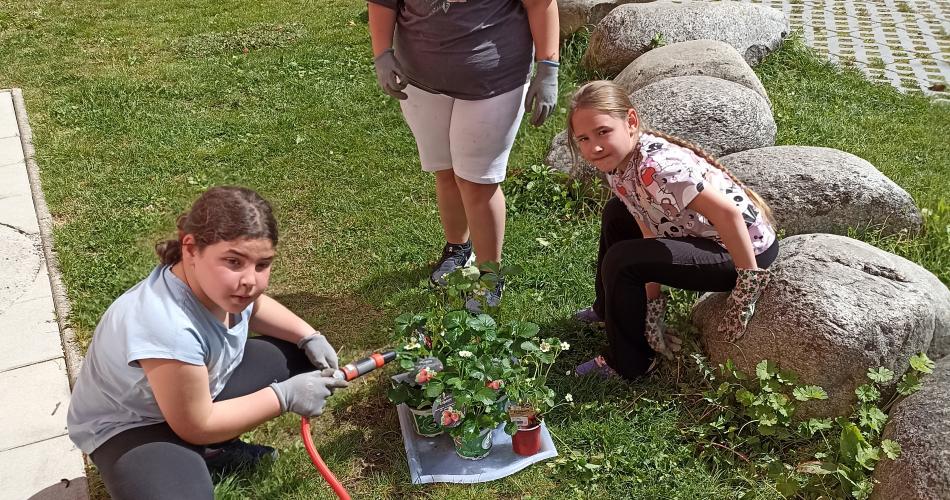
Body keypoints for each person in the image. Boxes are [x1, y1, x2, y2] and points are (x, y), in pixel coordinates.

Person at [66, 186, 349, 500]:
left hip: (193, 393)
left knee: (296, 357)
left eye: (262, 265)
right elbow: (196, 424)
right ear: (190, 249)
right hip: (133, 425)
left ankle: (214, 449)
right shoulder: (168, 326)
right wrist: (283, 396)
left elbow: (256, 307)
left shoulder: (215, 286)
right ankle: (181, 456)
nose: (250, 281)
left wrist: (307, 335)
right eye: (233, 261)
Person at [566, 81, 779, 379]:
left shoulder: (659, 168)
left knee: (622, 260)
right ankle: (608, 310)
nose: (595, 147)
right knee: (617, 214)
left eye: (603, 132)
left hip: (743, 252)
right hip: (701, 235)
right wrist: (652, 309)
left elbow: (729, 215)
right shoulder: (621, 165)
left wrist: (745, 293)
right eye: (584, 139)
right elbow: (647, 228)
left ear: (631, 121)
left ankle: (631, 364)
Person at [367, 0, 560, 307]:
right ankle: (458, 249)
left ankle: (490, 277)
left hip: (496, 81)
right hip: (419, 81)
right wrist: (382, 53)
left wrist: (548, 65)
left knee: (478, 182)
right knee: (445, 172)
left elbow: (539, 3)